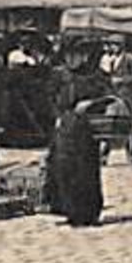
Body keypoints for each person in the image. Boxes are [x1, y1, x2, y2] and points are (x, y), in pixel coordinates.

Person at [44, 66, 104, 227]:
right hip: (65, 125)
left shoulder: (95, 75)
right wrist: (57, 116)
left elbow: (107, 97)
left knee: (86, 169)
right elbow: (50, 98)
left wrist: (90, 104)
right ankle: (70, 210)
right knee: (64, 168)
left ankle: (89, 212)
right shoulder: (58, 75)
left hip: (86, 128)